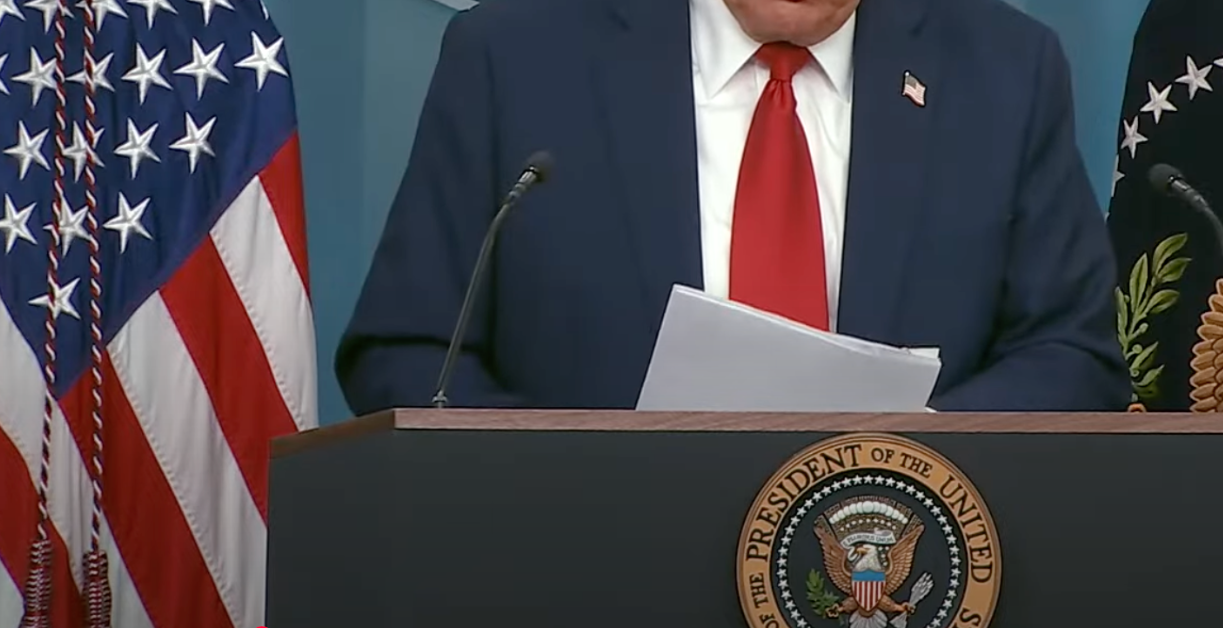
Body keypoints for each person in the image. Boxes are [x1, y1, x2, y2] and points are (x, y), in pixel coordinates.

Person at [335, 0, 1131, 414]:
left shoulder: (1005, 69)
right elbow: (407, 355)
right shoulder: (513, 59)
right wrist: (572, 479)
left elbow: (1069, 354)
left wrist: (903, 464)